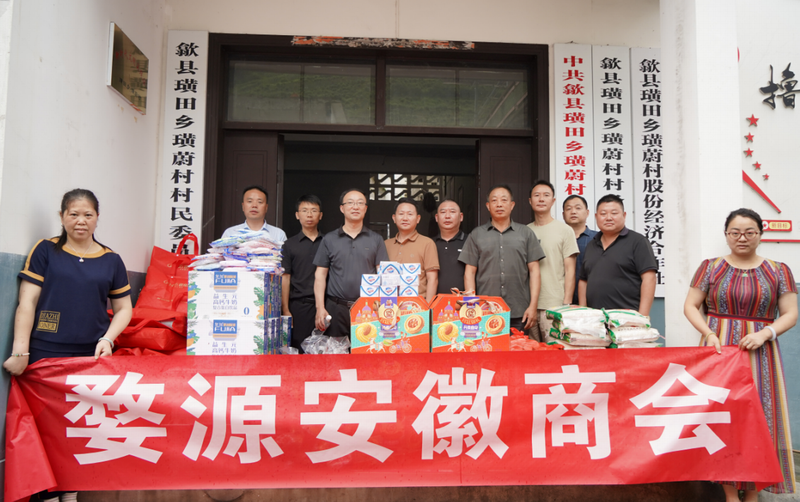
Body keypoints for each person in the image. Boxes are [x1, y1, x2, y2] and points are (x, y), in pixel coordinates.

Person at [3, 189, 133, 502]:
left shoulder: (111, 260)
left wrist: (108, 339)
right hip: (44, 353)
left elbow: (124, 309)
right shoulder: (46, 251)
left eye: (88, 214)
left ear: (97, 218)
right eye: (73, 214)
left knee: (79, 425)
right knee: (45, 428)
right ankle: (46, 494)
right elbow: (27, 302)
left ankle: (71, 491)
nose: (80, 221)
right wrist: (20, 352)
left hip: (90, 357)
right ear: (61, 217)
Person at [683, 208, 797, 501]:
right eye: (735, 232)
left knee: (761, 418)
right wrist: (709, 333)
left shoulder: (779, 270)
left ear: (760, 234)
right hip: (719, 350)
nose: (742, 238)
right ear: (726, 235)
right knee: (723, 417)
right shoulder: (710, 267)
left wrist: (765, 334)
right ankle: (730, 492)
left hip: (761, 352)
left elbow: (790, 314)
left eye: (749, 232)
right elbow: (690, 306)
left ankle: (753, 492)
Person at [459, 184, 545, 332]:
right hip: (485, 310)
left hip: (519, 310)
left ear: (512, 205)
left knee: (519, 346)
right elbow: (469, 273)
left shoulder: (526, 233)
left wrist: (533, 306)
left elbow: (535, 271)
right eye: (494, 200)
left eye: (504, 200)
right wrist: (471, 306)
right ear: (488, 206)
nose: (499, 204)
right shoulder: (477, 234)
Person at [313, 189, 388, 337]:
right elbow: (320, 275)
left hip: (368, 308)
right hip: (336, 308)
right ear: (342, 208)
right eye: (350, 203)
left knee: (367, 349)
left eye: (360, 203)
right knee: (336, 350)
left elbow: (383, 274)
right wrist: (320, 308)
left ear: (365, 208)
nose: (355, 207)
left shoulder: (376, 239)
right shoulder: (329, 239)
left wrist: (382, 303)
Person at [578, 194, 657, 315]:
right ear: (596, 216)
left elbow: (649, 278)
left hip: (627, 318)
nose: (608, 218)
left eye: (614, 213)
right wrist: (584, 313)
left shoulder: (638, 242)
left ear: (624, 215)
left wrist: (642, 317)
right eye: (603, 214)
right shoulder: (591, 245)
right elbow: (584, 281)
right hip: (595, 319)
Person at [528, 180, 579, 341]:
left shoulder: (565, 230)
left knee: (555, 350)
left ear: (553, 200)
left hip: (554, 304)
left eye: (546, 195)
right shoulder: (525, 231)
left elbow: (570, 270)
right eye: (537, 195)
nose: (541, 199)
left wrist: (566, 303)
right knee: (530, 351)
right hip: (529, 304)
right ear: (530, 201)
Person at [281, 195, 324, 352]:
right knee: (300, 351)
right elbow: (285, 278)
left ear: (320, 215)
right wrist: (286, 309)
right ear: (297, 215)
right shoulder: (289, 245)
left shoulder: (328, 242)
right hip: (299, 306)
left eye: (314, 210)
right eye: (304, 210)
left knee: (325, 350)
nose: (309, 215)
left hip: (325, 306)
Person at [385, 197, 439, 304]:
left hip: (417, 305)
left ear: (418, 219)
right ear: (394, 218)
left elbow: (432, 279)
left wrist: (427, 308)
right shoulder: (385, 244)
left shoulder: (427, 243)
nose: (405, 218)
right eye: (401, 214)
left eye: (410, 214)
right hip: (389, 304)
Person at [562, 194, 597, 305]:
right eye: (569, 209)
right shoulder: (557, 239)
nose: (573, 212)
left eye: (578, 208)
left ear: (587, 212)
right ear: (563, 215)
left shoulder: (598, 239)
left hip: (591, 299)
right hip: (562, 299)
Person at [221, 185, 287, 243]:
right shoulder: (230, 233)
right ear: (243, 206)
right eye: (250, 201)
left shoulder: (279, 235)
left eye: (260, 202)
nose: (254, 205)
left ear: (266, 207)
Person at [434, 198, 467, 294]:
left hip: (462, 301)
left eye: (452, 212)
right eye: (443, 212)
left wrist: (470, 300)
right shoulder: (430, 244)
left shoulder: (470, 241)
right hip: (435, 301)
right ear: (436, 217)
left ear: (461, 217)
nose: (447, 216)